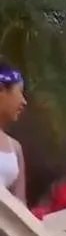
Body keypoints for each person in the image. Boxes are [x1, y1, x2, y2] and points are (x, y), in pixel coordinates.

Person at [0, 62, 26, 200]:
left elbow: (21, 207)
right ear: (2, 89)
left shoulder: (15, 148)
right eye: (20, 92)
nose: (24, 102)